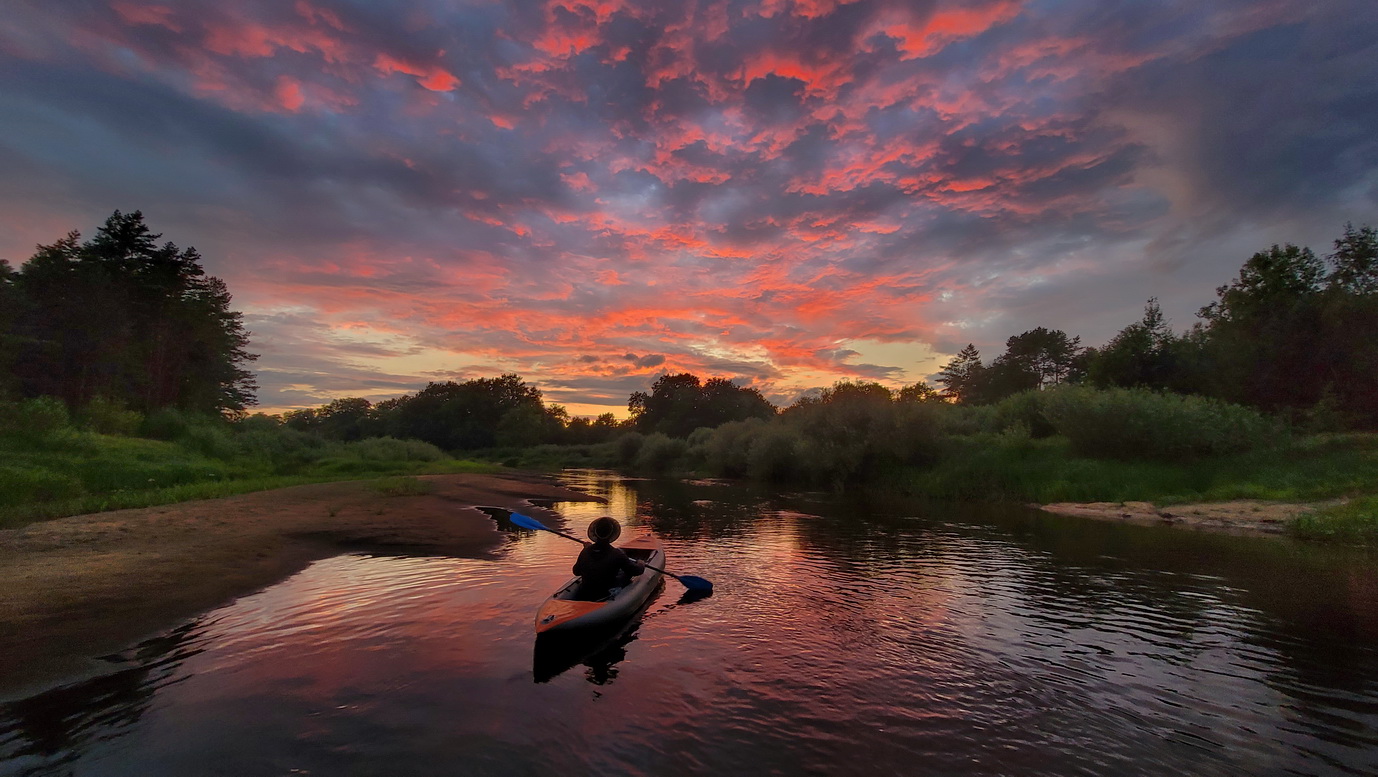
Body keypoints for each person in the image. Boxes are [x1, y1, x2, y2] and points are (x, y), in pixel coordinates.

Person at [573, 517, 644, 600]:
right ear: (611, 534)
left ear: (595, 533)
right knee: (626, 574)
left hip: (586, 592)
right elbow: (636, 571)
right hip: (605, 593)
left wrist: (587, 549)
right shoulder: (617, 554)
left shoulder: (585, 551)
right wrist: (641, 564)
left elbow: (576, 572)